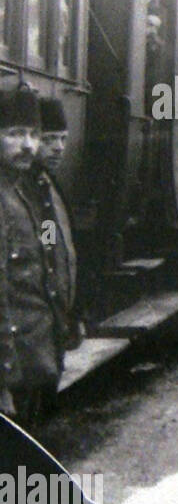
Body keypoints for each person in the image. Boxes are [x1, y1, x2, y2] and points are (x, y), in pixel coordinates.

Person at [0, 89, 62, 425]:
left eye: (34, 135)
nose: (28, 145)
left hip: (35, 364)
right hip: (14, 375)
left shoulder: (22, 191)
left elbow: (47, 262)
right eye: (14, 134)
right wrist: (2, 383)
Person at [31, 98, 79, 350]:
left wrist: (72, 314)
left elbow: (59, 255)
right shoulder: (28, 191)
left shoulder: (50, 184)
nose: (59, 148)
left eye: (62, 139)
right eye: (48, 140)